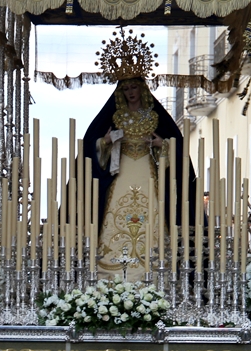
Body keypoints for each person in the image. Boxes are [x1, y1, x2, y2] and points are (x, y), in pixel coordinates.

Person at [83, 32, 194, 281]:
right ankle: (111, 270)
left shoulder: (154, 117)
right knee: (115, 214)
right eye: (126, 88)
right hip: (120, 172)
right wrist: (106, 141)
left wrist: (161, 145)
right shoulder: (115, 118)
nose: (131, 92)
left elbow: (175, 148)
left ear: (142, 88)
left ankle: (151, 267)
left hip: (147, 172)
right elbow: (92, 146)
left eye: (134, 87)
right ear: (120, 91)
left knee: (151, 213)